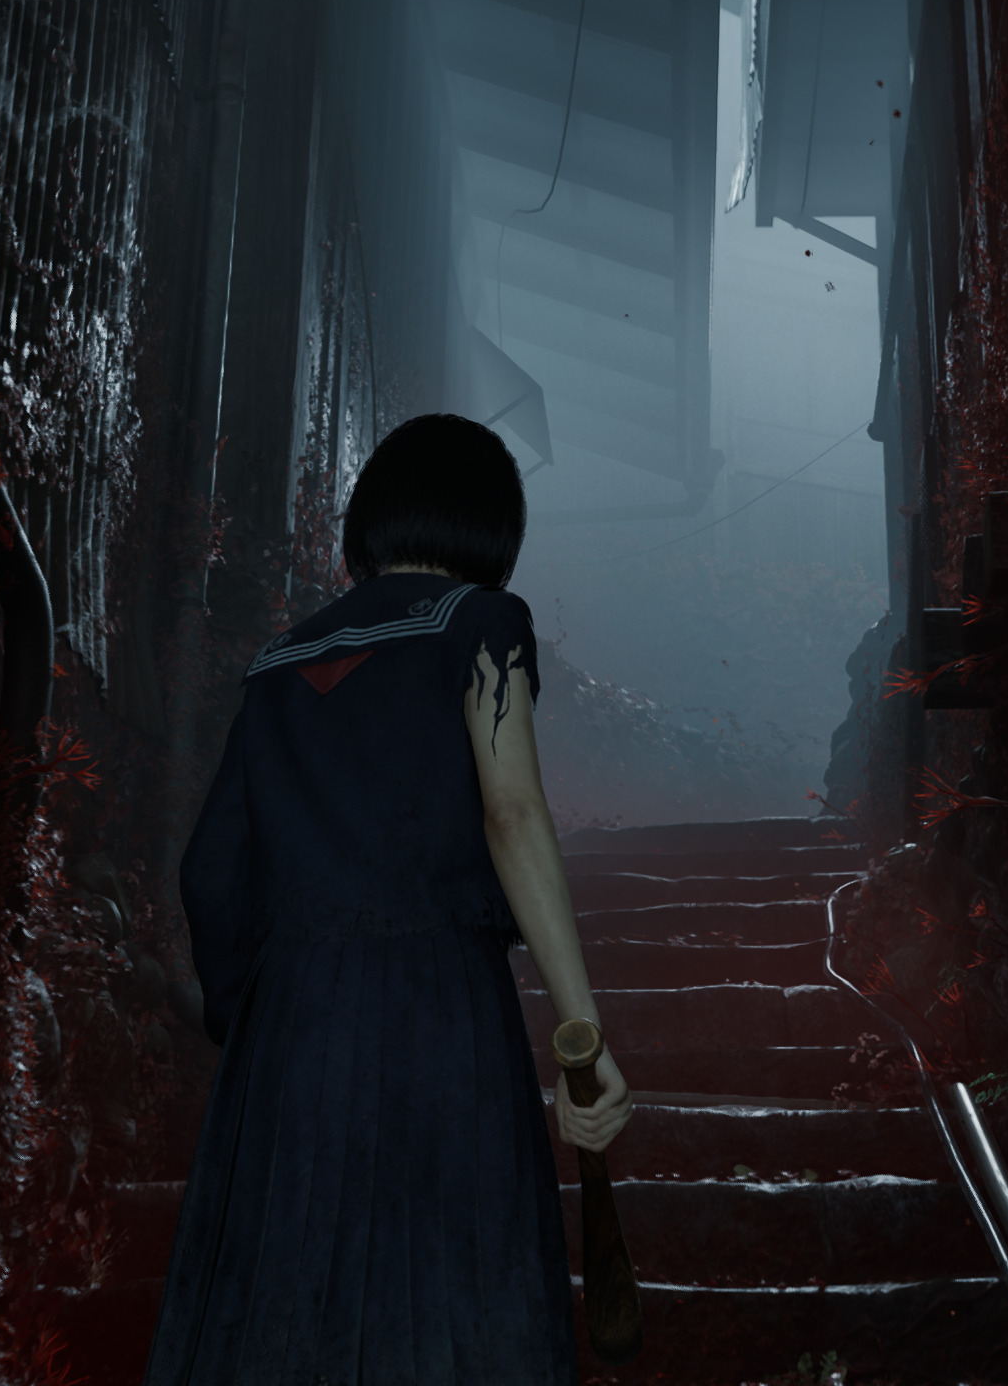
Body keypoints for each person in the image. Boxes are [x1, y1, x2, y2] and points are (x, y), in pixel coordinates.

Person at [144, 414, 631, 1385]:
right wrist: (581, 1033)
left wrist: (255, 1014)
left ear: (373, 516)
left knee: (278, 1324)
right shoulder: (481, 624)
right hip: (439, 1012)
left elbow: (209, 871)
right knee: (452, 1299)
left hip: (290, 1035)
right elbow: (512, 814)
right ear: (488, 527)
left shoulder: (275, 663)